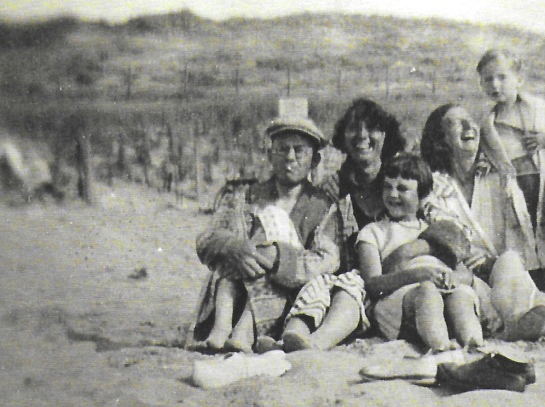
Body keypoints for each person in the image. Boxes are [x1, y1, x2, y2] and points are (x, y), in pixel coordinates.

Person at [416, 102, 545, 339]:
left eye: (471, 119)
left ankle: (536, 314)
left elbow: (544, 194)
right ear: (440, 141)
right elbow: (442, 232)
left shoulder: (499, 176)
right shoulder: (434, 187)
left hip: (507, 272)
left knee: (509, 263)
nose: (469, 125)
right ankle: (527, 318)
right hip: (465, 276)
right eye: (455, 123)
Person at [190, 116, 342, 352]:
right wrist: (233, 246)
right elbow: (207, 239)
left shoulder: (322, 206)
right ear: (270, 156)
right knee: (229, 263)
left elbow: (328, 258)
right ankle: (220, 329)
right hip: (234, 288)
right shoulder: (245, 195)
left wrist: (279, 260)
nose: (290, 158)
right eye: (282, 149)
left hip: (284, 299)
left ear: (315, 159)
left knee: (274, 271)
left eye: (299, 150)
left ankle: (244, 332)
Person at [275, 98, 407, 352]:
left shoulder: (400, 179)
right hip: (345, 277)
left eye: (372, 128)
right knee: (321, 286)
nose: (361, 136)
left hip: (392, 279)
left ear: (386, 134)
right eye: (353, 128)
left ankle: (315, 344)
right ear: (342, 137)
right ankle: (291, 338)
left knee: (350, 290)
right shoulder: (333, 188)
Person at [475, 49, 545, 296]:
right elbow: (487, 154)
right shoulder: (489, 124)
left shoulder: (537, 109)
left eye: (502, 77)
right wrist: (483, 163)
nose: (495, 84)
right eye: (487, 79)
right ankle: (544, 300)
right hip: (516, 191)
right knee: (527, 248)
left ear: (519, 80)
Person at [357, 153, 483, 351]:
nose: (392, 194)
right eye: (388, 187)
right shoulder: (374, 231)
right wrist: (416, 275)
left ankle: (475, 346)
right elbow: (373, 284)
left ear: (422, 195)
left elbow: (465, 272)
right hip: (401, 302)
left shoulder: (434, 230)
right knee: (427, 291)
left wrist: (455, 278)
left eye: (402, 189)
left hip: (444, 295)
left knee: (461, 296)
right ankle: (440, 348)